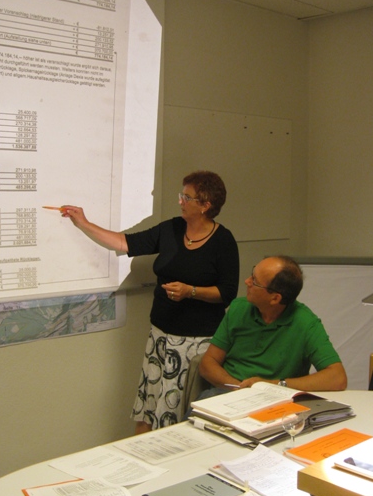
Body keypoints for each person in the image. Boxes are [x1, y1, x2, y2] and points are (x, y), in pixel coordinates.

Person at [61, 171, 239, 433]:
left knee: (177, 414)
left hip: (195, 344)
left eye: (186, 197)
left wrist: (190, 291)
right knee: (148, 407)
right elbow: (124, 242)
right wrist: (83, 223)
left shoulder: (223, 241)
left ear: (205, 205)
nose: (180, 201)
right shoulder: (171, 229)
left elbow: (227, 292)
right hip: (160, 336)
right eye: (181, 195)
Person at [199, 255, 347, 392]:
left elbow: (337, 378)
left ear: (275, 298)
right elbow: (208, 363)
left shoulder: (306, 323)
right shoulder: (239, 308)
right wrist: (239, 388)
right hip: (228, 391)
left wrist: (274, 385)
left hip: (277, 398)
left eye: (255, 281)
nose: (247, 281)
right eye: (252, 274)